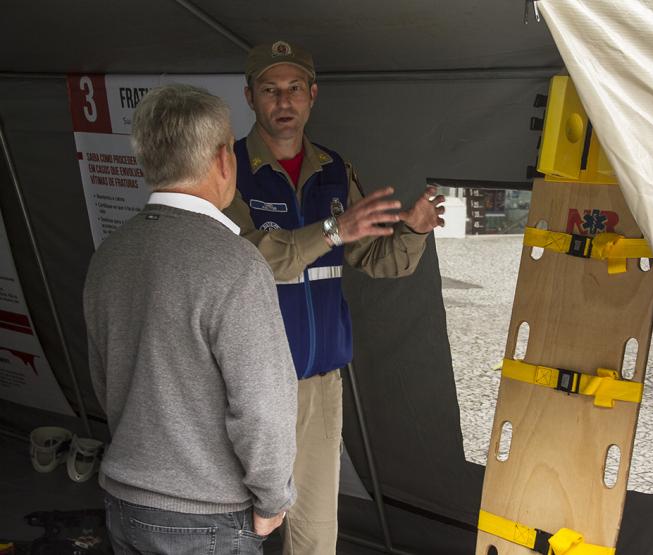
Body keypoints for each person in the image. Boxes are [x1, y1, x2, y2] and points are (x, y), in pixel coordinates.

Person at [223, 40, 445, 554]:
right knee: (238, 526)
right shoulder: (228, 169)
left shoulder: (334, 171)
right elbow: (248, 257)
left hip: (321, 385)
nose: (284, 101)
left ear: (312, 96)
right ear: (250, 97)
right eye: (270, 89)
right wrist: (331, 229)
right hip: (251, 384)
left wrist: (412, 230)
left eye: (295, 88)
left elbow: (375, 258)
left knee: (316, 534)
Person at [83, 84, 298, 554]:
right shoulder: (235, 264)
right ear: (224, 159)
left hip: (125, 502)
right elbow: (263, 406)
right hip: (208, 518)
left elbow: (106, 381)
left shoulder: (110, 256)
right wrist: (272, 501)